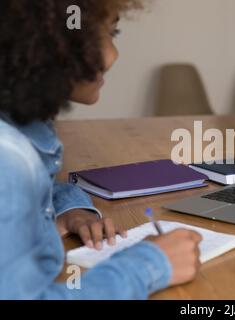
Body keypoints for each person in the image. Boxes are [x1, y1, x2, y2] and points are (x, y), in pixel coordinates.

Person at [0, 0, 201, 299]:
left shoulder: (19, 130)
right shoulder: (10, 159)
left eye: (113, 33)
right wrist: (150, 264)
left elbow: (34, 188)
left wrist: (71, 209)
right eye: (98, 36)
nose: (113, 54)